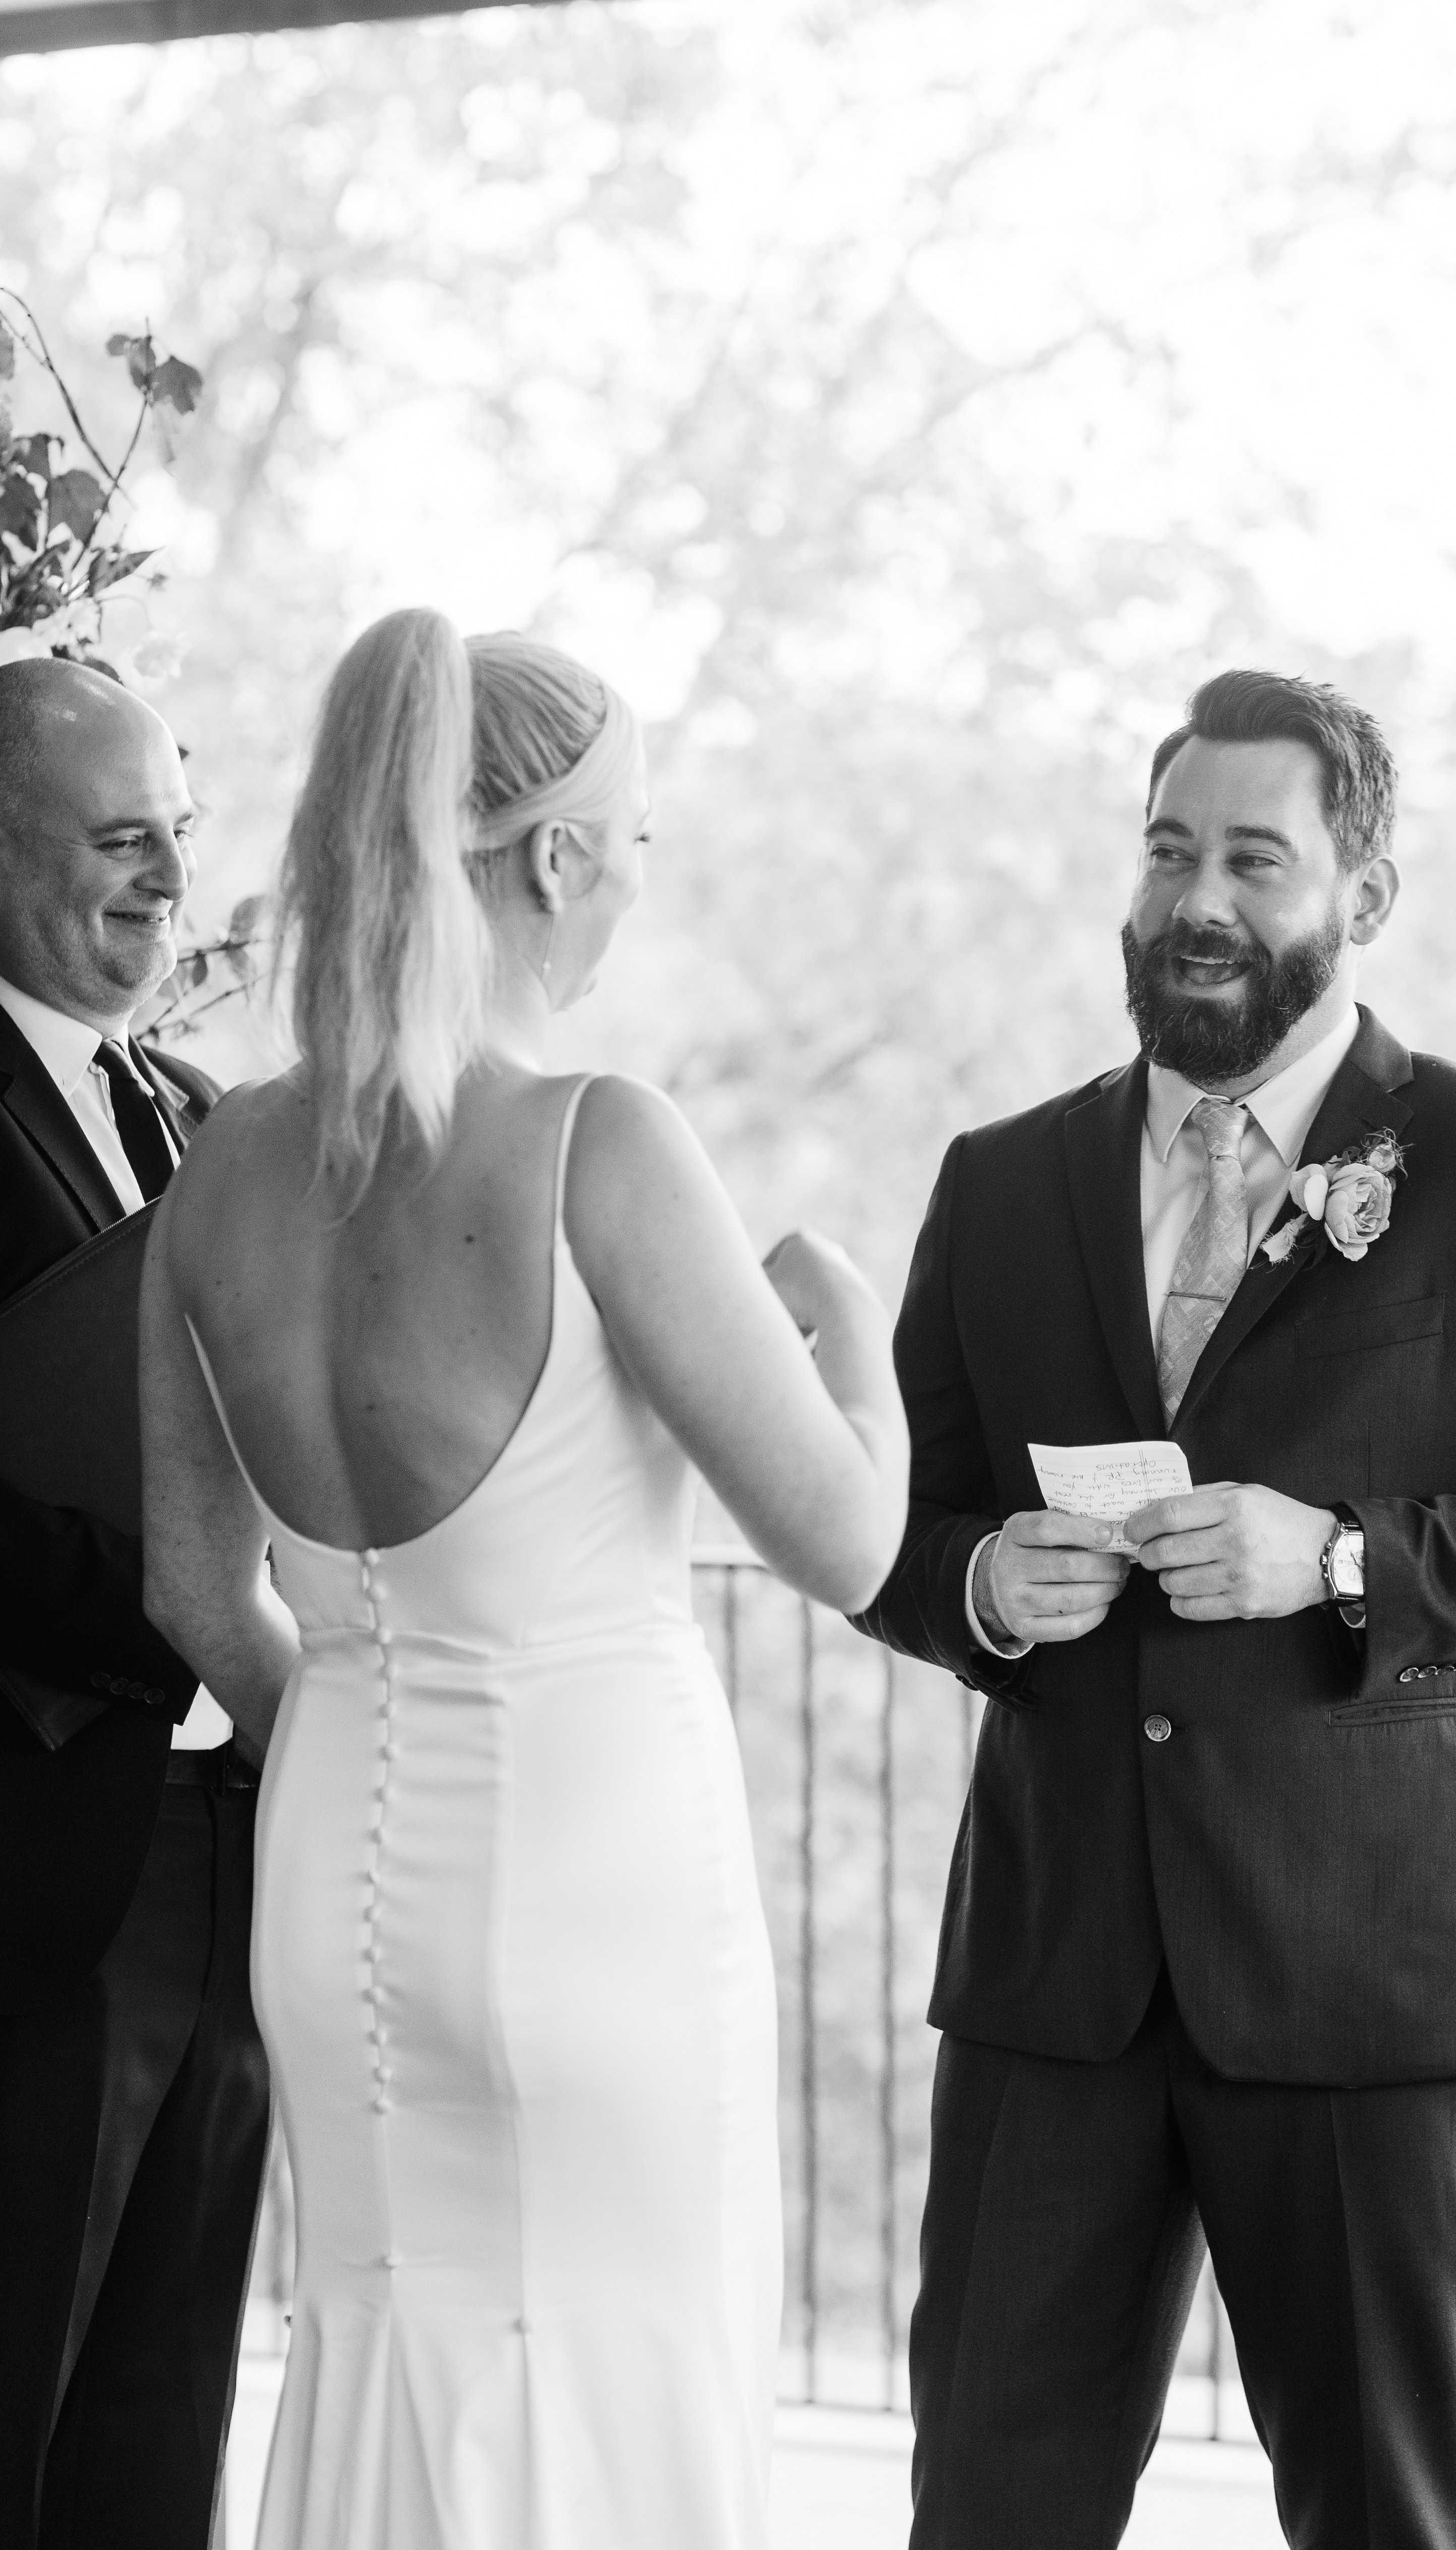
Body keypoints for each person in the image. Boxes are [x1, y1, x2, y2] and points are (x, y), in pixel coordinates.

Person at [852, 668, 1456, 2550]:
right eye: (1168, 852)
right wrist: (978, 1581)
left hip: (1369, 1977)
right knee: (984, 2513)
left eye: (1253, 858)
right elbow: (888, 1524)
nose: (1196, 901)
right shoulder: (1001, 1184)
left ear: (1360, 895)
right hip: (1056, 1979)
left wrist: (1336, 1559)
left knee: (1382, 2515)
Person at [139, 607, 909, 2549]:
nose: (638, 875)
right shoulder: (594, 1143)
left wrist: (363, 1721)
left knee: (380, 2365)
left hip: (332, 1896)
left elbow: (193, 1590)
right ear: (555, 856)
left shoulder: (221, 1169)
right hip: (596, 1893)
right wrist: (849, 1323)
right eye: (633, 835)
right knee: (620, 2389)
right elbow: (846, 1540)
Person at [0, 657, 269, 2549]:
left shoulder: (202, 1112)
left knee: (168, 2408)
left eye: (179, 832)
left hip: (235, 1841)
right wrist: (187, 1613)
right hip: (37, 1853)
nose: (169, 878)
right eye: (121, 840)